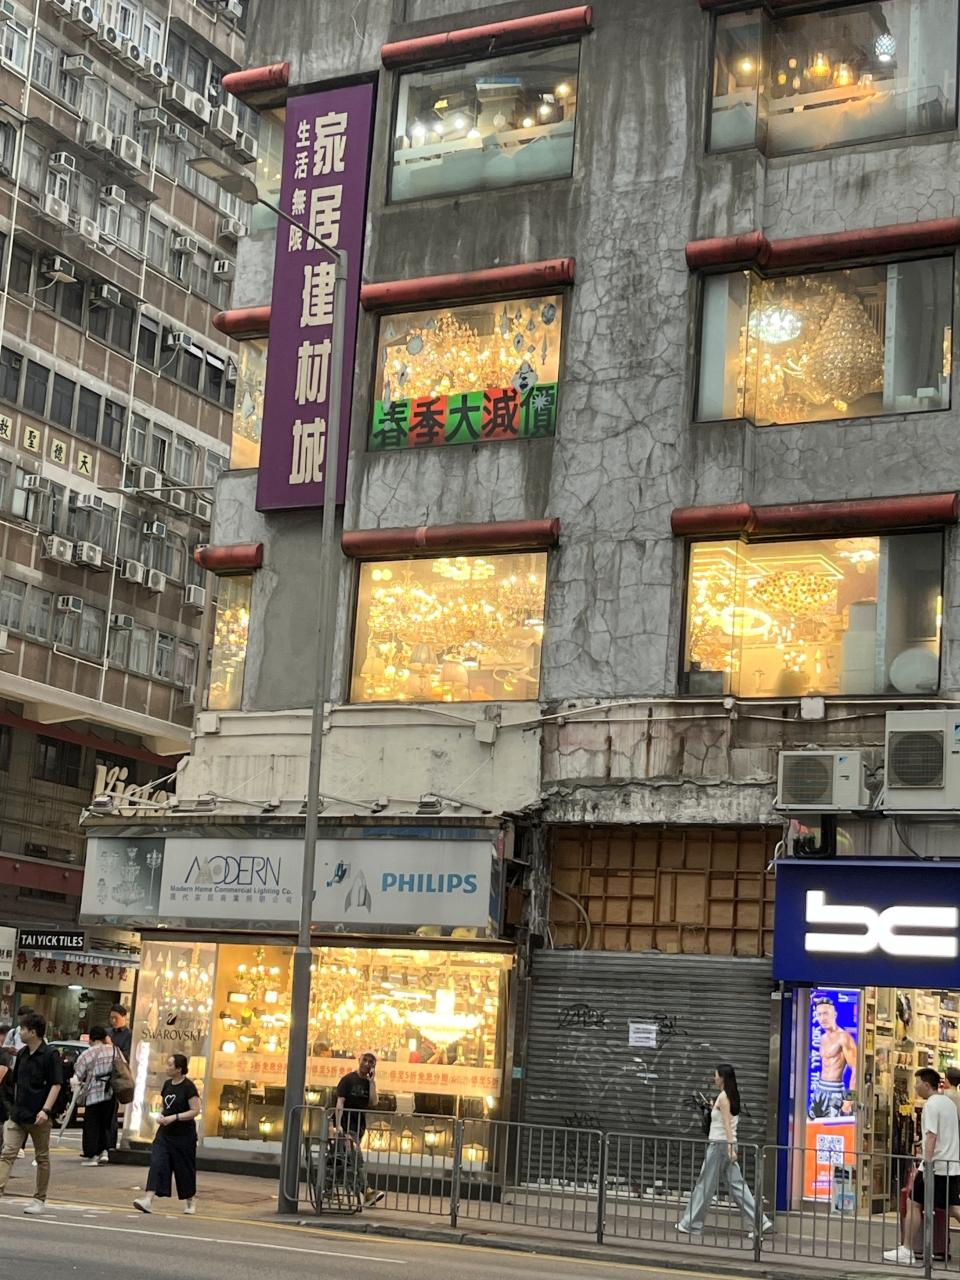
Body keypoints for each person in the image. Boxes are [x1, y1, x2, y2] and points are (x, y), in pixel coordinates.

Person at [676, 1064, 772, 1238]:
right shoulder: (730, 1096)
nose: (714, 1078)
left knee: (705, 1184)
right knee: (738, 1186)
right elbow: (725, 1118)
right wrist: (714, 1107)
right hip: (725, 1145)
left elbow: (727, 1124)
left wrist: (730, 1147)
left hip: (720, 1146)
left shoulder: (723, 1097)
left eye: (716, 1075)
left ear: (722, 1078)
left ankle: (691, 1223)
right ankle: (760, 1223)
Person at [885, 1068, 960, 1264]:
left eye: (917, 1083)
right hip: (950, 1164)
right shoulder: (948, 1103)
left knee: (914, 1203)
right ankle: (907, 1248)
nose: (915, 1087)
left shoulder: (932, 1105)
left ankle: (907, 1249)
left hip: (935, 1165)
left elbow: (931, 1136)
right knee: (951, 1206)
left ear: (926, 1085)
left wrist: (926, 1163)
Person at [0, 1011, 63, 1215]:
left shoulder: (50, 1055)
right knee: (7, 1152)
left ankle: (39, 1199)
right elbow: (16, 1083)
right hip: (18, 1114)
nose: (19, 1032)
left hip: (39, 1116)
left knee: (42, 1157)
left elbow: (56, 1084)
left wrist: (46, 1110)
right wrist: (13, 1108)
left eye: (23, 1029)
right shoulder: (22, 1054)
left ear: (33, 1032)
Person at [133, 1053, 200, 1216]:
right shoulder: (167, 1084)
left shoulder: (189, 1087)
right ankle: (148, 1199)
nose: (167, 1067)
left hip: (184, 1135)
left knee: (184, 1169)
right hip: (165, 1133)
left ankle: (190, 1200)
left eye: (170, 1065)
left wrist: (174, 1117)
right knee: (157, 1163)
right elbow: (165, 1106)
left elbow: (195, 1110)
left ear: (179, 1069)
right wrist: (162, 1116)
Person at [335, 1051, 385, 1208]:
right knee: (356, 1158)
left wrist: (372, 1082)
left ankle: (327, 1187)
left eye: (371, 1062)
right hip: (346, 1126)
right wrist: (338, 1125)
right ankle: (366, 1191)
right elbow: (340, 1102)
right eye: (365, 1060)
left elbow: (373, 1102)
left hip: (358, 1127)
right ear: (359, 1060)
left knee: (346, 1162)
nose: (367, 1064)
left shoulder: (368, 1083)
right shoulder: (348, 1080)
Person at [72, 1027, 119, 1167]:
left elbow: (78, 1074)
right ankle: (105, 1151)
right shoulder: (115, 1050)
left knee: (92, 1125)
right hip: (111, 1092)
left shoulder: (88, 1053)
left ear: (91, 1039)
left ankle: (92, 1154)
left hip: (93, 1094)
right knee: (107, 1124)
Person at [808, 997, 857, 1119]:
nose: (822, 1018)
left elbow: (857, 1070)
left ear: (834, 1014)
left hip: (836, 1091)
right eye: (819, 1014)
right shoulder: (822, 1038)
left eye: (826, 1013)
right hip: (820, 1088)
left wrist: (849, 1101)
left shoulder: (844, 1037)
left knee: (831, 1127)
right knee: (811, 1125)